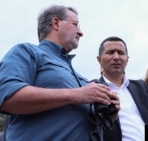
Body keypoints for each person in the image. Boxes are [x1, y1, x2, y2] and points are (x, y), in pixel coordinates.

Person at [0, 5, 120, 141]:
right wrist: (76, 94)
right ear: (56, 23)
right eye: (76, 25)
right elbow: (6, 97)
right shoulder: (26, 52)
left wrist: (109, 115)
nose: (81, 33)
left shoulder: (81, 79)